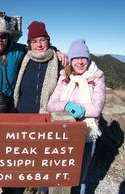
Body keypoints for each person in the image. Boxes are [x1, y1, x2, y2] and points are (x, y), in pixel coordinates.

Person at [47, 39, 106, 194]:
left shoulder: (97, 77)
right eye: (76, 58)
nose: (80, 62)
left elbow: (96, 108)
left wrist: (79, 109)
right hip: (64, 134)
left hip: (86, 134)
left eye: (83, 58)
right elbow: (50, 105)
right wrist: (66, 106)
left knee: (81, 177)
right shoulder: (64, 77)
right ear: (71, 60)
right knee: (62, 172)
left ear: (88, 59)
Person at [13, 21, 63, 194]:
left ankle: (40, 187)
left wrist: (56, 50)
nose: (39, 44)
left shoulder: (59, 62)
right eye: (35, 41)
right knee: (23, 154)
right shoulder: (23, 58)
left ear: (49, 41)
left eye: (43, 40)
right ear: (29, 44)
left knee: (43, 155)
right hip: (22, 115)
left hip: (45, 117)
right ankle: (25, 184)